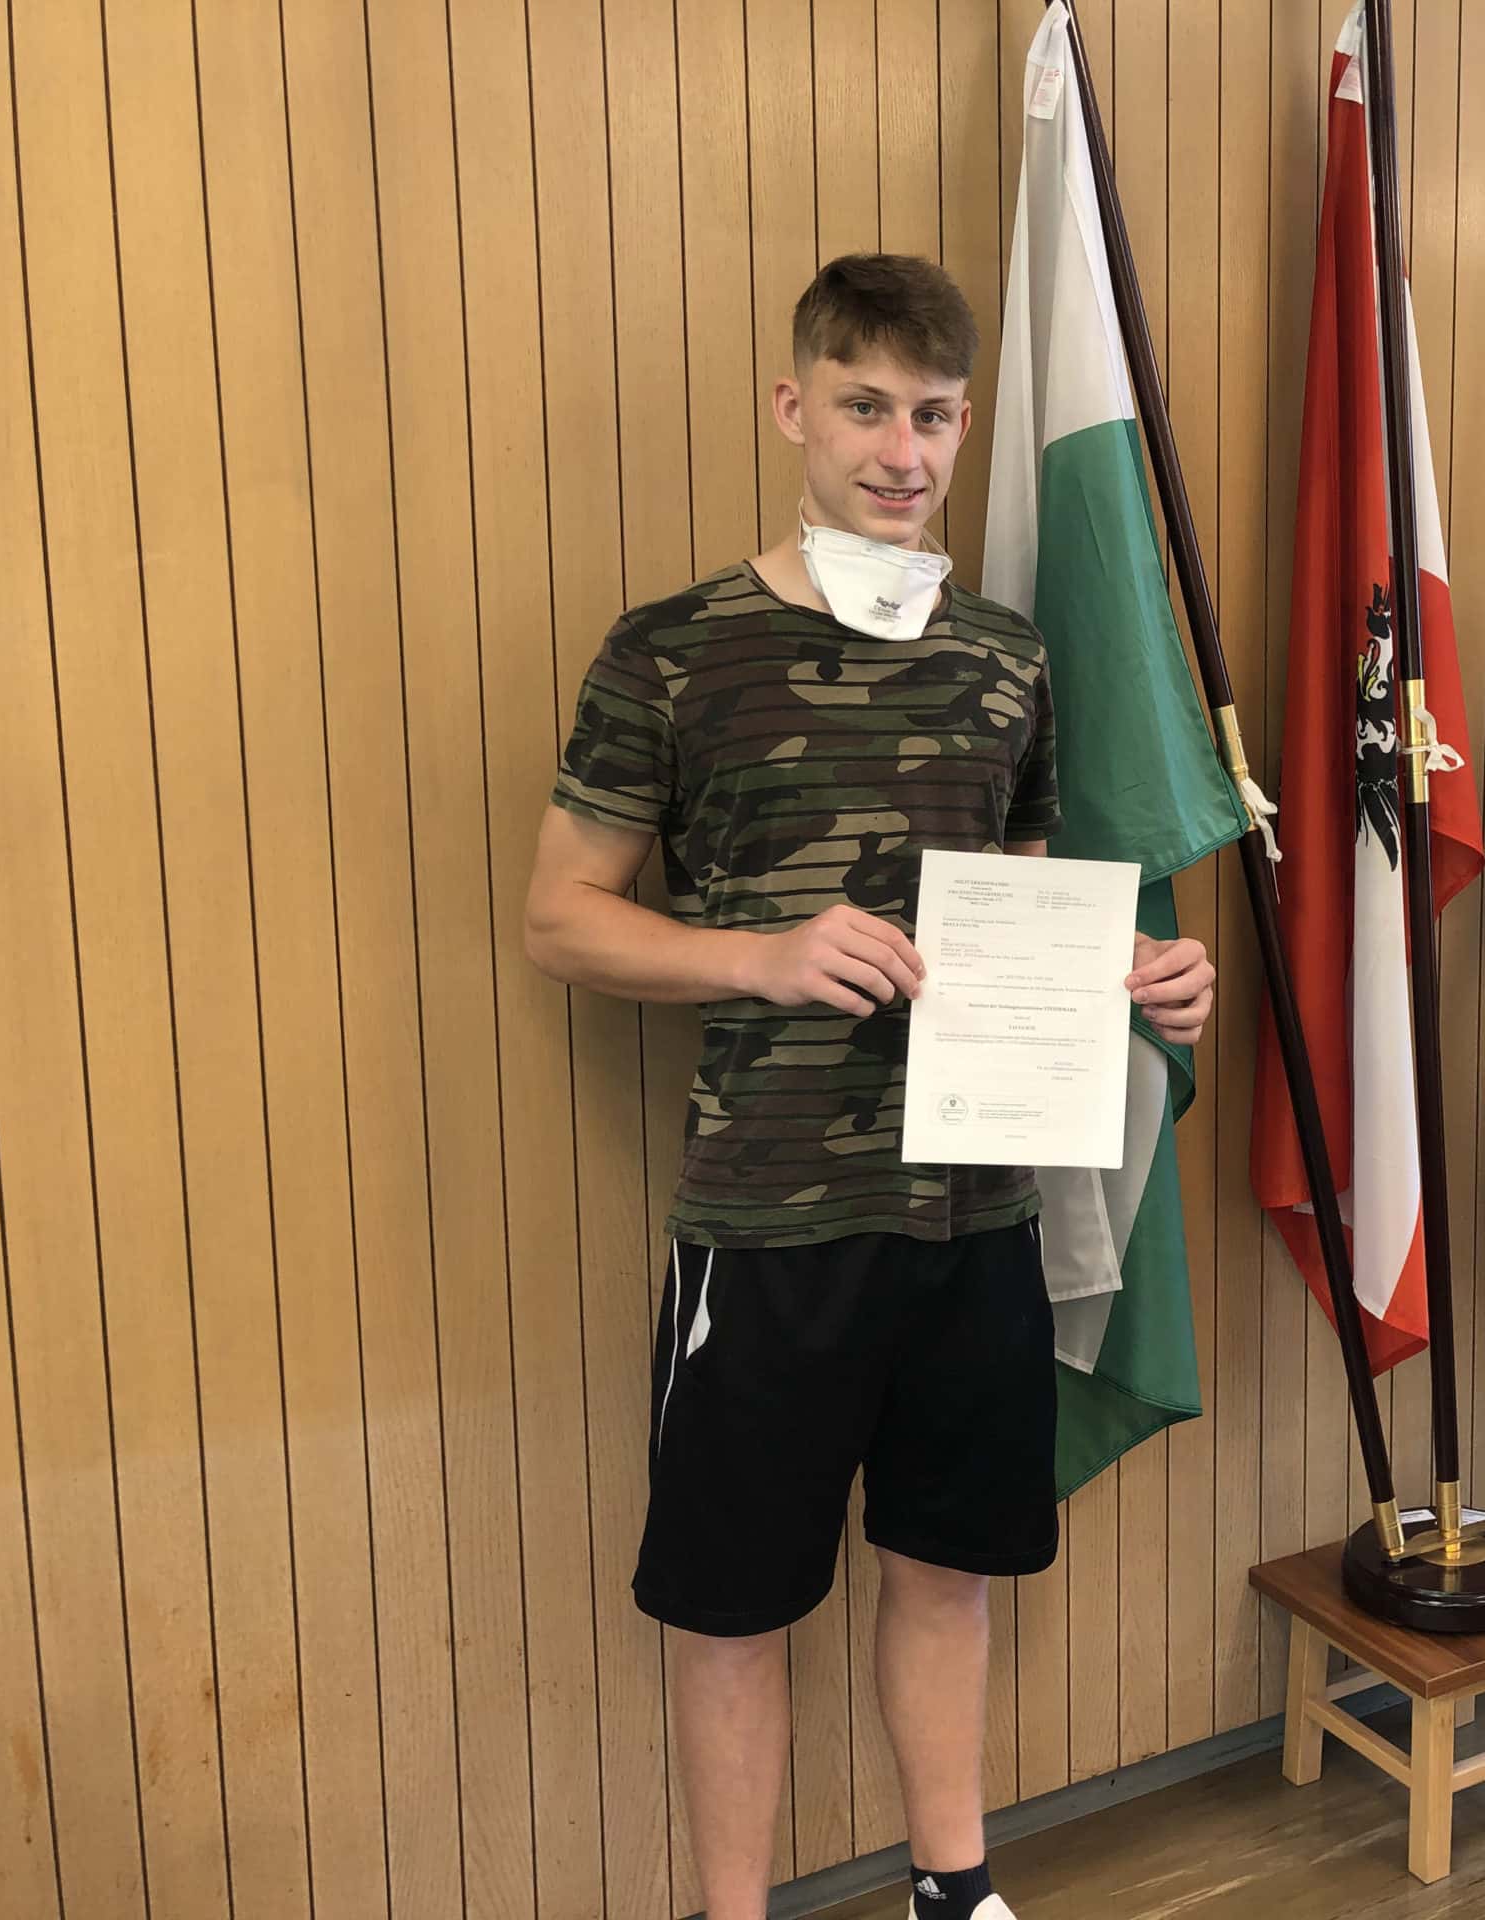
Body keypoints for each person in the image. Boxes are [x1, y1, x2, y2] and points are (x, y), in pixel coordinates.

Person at [522, 253, 1215, 1920]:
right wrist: (759, 957)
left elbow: (1023, 897)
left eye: (936, 416)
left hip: (976, 1210)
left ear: (966, 426)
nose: (904, 451)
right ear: (794, 408)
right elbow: (561, 916)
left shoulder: (1004, 657)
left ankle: (951, 1887)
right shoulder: (674, 650)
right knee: (734, 1604)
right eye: (866, 407)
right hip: (770, 1217)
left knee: (949, 1567)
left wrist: (1131, 972)